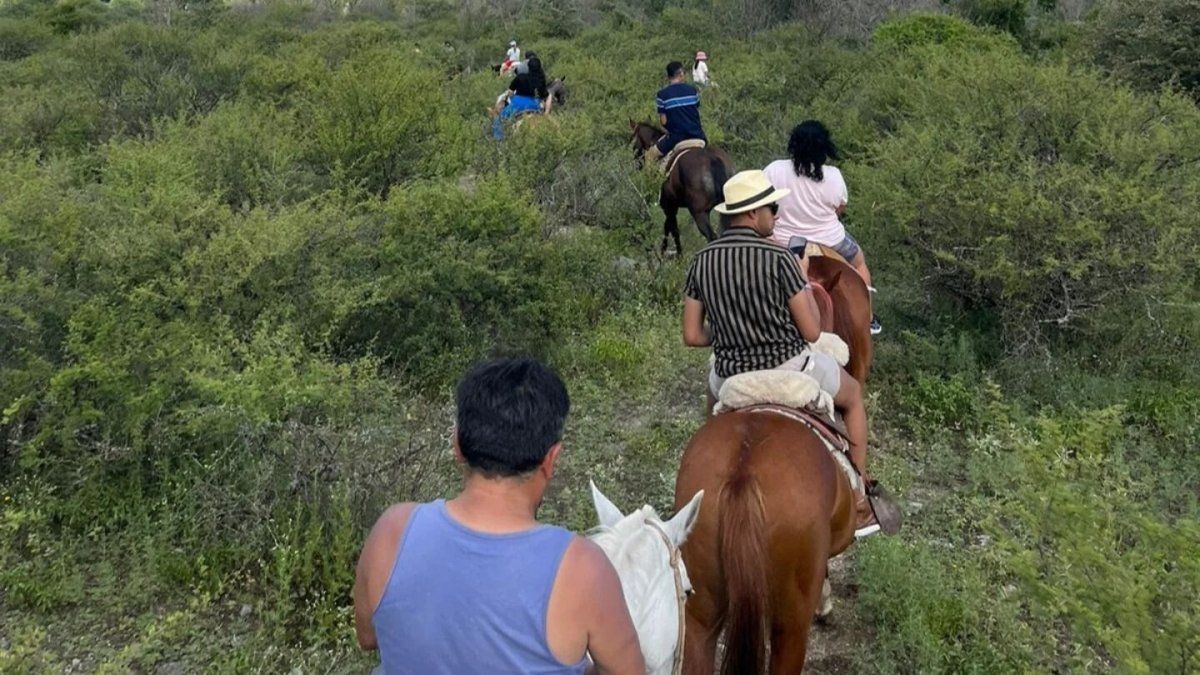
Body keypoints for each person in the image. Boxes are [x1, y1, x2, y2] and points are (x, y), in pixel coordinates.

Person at [354, 357, 646, 674]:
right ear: (551, 459)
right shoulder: (582, 568)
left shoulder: (392, 530)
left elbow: (368, 636)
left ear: (457, 446)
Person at [681, 170, 881, 538]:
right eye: (772, 207)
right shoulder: (780, 258)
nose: (776, 214)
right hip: (791, 365)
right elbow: (811, 331)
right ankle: (858, 496)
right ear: (753, 213)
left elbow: (692, 335)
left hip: (729, 374)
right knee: (852, 397)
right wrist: (801, 278)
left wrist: (727, 330)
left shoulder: (701, 261)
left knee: (711, 420)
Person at [764, 120, 882, 335]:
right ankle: (869, 318)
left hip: (783, 241)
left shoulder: (774, 170)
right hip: (830, 239)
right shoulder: (834, 175)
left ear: (793, 145)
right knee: (859, 263)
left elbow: (764, 204)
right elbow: (840, 208)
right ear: (824, 148)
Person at [644, 60, 706, 166]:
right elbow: (696, 113)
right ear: (681, 74)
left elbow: (663, 121)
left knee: (649, 156)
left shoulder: (662, 95)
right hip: (698, 135)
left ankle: (651, 182)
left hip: (676, 138)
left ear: (668, 76)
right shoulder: (693, 90)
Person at [492, 56, 549, 140]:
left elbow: (510, 92)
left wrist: (506, 98)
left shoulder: (520, 77)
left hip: (518, 104)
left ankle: (499, 141)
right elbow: (545, 97)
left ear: (528, 67)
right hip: (536, 105)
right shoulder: (541, 80)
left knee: (498, 119)